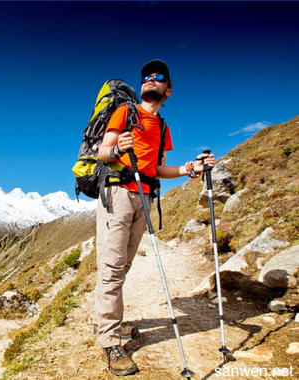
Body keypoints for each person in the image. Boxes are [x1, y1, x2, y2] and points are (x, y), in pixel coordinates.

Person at [94, 59, 215, 376]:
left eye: (157, 76)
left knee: (123, 266)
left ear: (168, 90)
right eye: (146, 76)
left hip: (144, 198)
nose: (149, 79)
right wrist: (117, 147)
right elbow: (102, 153)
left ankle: (112, 325)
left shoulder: (162, 128)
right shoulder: (125, 112)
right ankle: (110, 343)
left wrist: (189, 169)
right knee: (110, 268)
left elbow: (158, 168)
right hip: (118, 194)